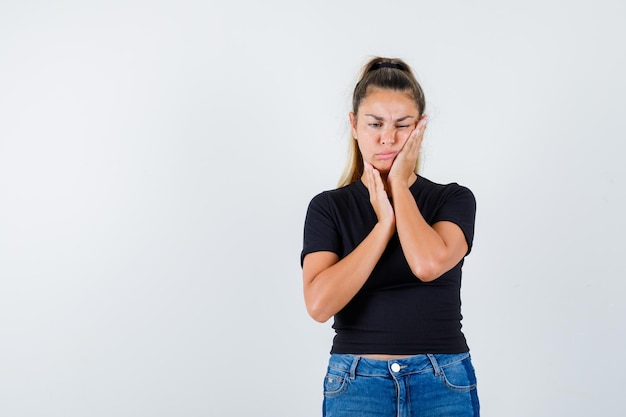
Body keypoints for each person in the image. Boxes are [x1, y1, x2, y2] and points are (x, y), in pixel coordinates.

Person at [300, 57, 480, 416]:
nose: (388, 138)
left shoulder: (453, 199)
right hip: (356, 384)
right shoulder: (328, 208)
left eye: (402, 125)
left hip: (442, 381)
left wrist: (399, 184)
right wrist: (383, 226)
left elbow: (428, 265)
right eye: (375, 124)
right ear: (353, 124)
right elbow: (319, 305)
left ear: (420, 128)